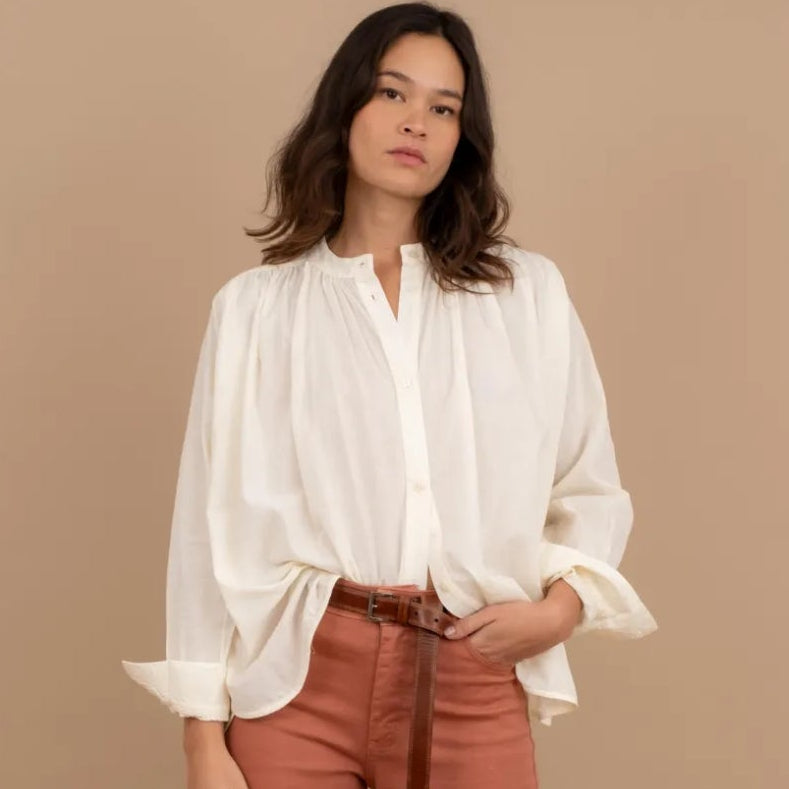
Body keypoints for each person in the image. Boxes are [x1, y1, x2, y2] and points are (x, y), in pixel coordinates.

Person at [121, 3, 658, 788]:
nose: (417, 123)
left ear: (461, 138)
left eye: (444, 108)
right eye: (393, 95)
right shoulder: (256, 309)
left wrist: (559, 611)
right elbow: (209, 530)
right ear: (345, 110)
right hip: (300, 686)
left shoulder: (525, 295)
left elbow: (588, 482)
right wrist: (203, 741)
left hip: (472, 677)